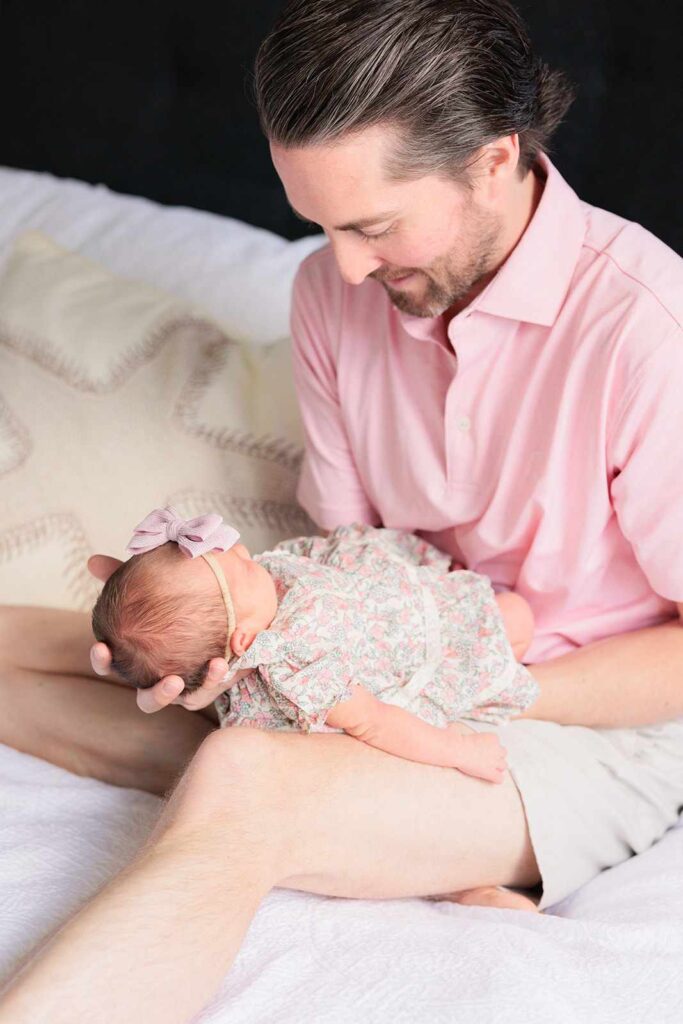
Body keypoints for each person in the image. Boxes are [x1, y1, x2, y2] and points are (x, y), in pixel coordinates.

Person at [1, 1, 683, 1020]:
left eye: (370, 225)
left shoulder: (644, 330)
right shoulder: (332, 292)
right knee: (45, 647)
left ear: (492, 161)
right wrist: (238, 652)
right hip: (363, 664)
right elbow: (348, 546)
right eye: (319, 226)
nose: (346, 267)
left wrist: (454, 682)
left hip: (576, 718)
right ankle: (390, 839)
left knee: (242, 773)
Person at [93, 506, 537, 783]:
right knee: (517, 616)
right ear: (245, 639)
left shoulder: (263, 597)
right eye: (245, 571)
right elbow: (375, 722)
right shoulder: (299, 664)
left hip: (382, 610)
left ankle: (458, 603)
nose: (249, 555)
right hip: (414, 660)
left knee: (511, 609)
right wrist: (459, 751)